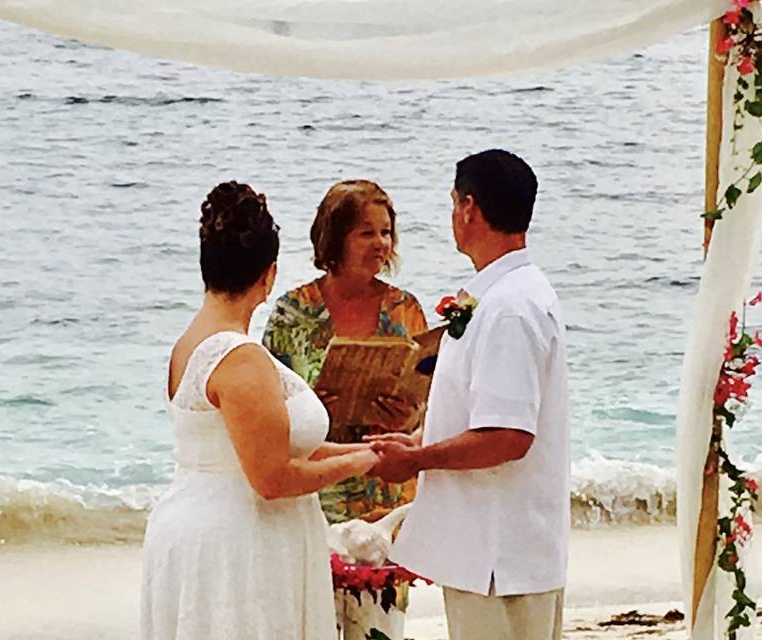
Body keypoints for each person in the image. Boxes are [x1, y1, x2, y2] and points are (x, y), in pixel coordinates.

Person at [141, 181, 379, 640]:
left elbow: (261, 443)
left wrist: (364, 450)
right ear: (268, 277)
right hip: (238, 543)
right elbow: (271, 478)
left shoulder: (187, 344)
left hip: (191, 527)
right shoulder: (241, 358)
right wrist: (359, 463)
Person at [370, 150, 571, 640]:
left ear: (469, 209)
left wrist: (417, 461)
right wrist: (421, 436)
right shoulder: (508, 293)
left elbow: (508, 436)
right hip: (498, 553)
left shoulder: (508, 308)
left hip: (499, 559)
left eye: (453, 203)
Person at [262, 179, 427, 639]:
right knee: (315, 616)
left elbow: (427, 402)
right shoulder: (292, 312)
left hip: (385, 484)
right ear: (335, 238)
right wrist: (312, 407)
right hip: (316, 484)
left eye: (386, 232)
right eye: (367, 233)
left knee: (381, 620)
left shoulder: (405, 309)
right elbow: (265, 404)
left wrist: (407, 417)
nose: (382, 244)